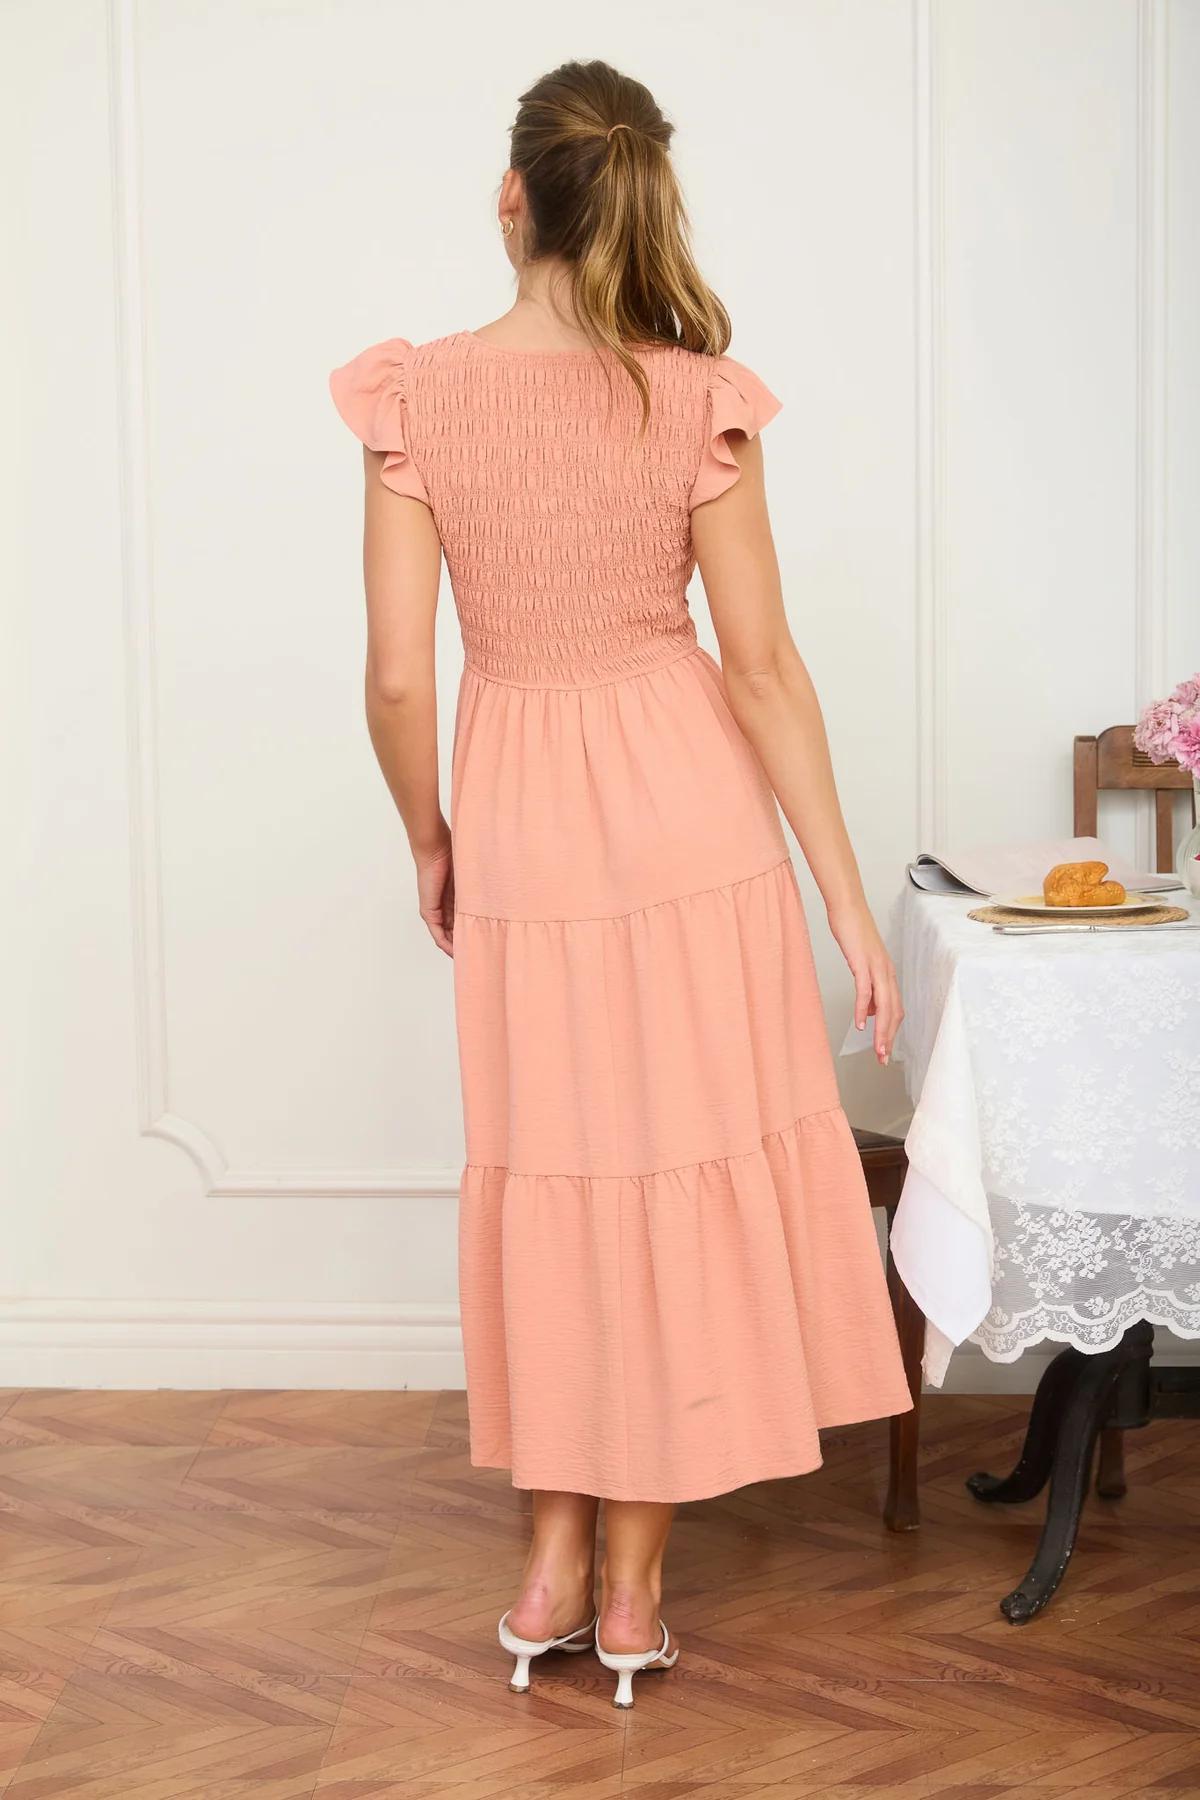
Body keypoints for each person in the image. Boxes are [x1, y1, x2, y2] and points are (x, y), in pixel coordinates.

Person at [329, 57, 913, 1709]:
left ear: (512, 198)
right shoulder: (693, 394)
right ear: (635, 201)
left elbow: (390, 676)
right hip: (690, 819)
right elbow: (769, 668)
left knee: (556, 1175)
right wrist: (846, 899)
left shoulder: (414, 397)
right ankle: (642, 1593)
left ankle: (547, 1569)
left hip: (522, 806)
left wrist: (431, 838)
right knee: (667, 1172)